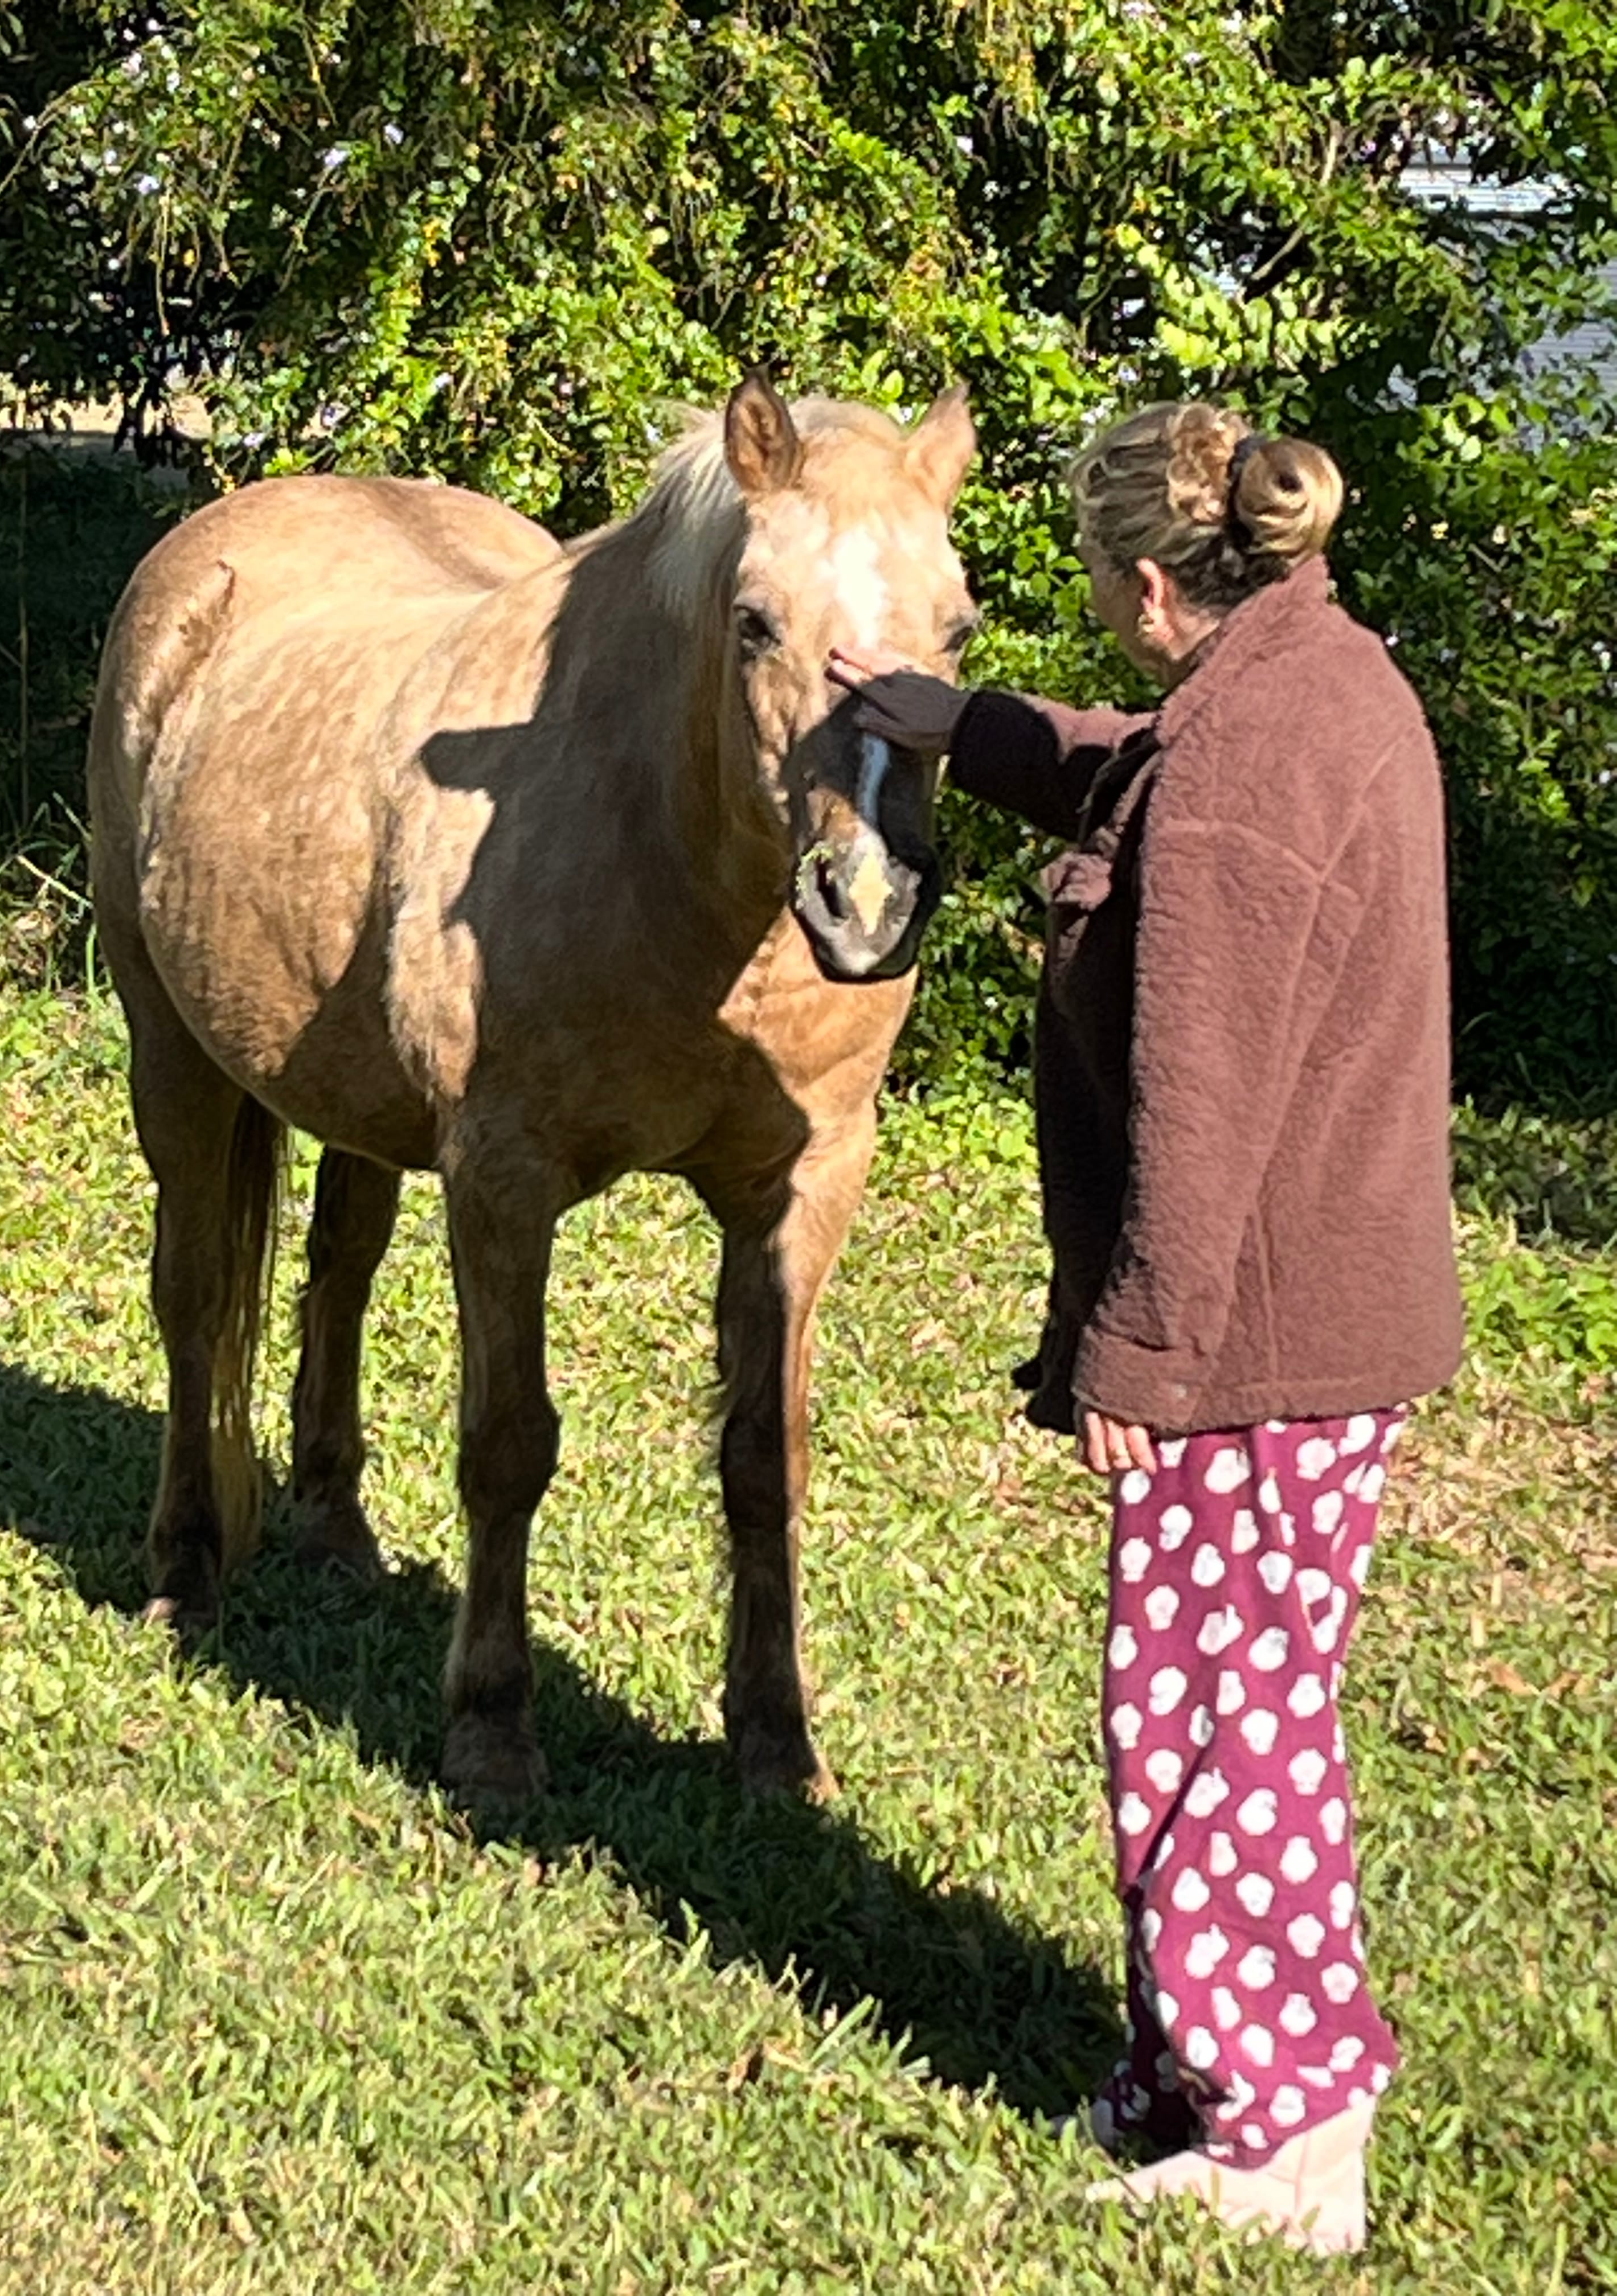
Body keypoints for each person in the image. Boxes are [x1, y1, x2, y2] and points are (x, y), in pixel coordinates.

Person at [827, 401, 1462, 2255]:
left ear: (1157, 584)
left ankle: (1280, 2141)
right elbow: (1142, 767)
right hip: (1324, 1323)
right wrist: (962, 725)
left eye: (1105, 593)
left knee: (1214, 1727)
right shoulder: (1312, 677)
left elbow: (1201, 1096)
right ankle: (1226, 2070)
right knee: (1250, 1708)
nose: (1103, 624)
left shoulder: (1253, 759)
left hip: (1253, 1342)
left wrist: (1141, 1359)